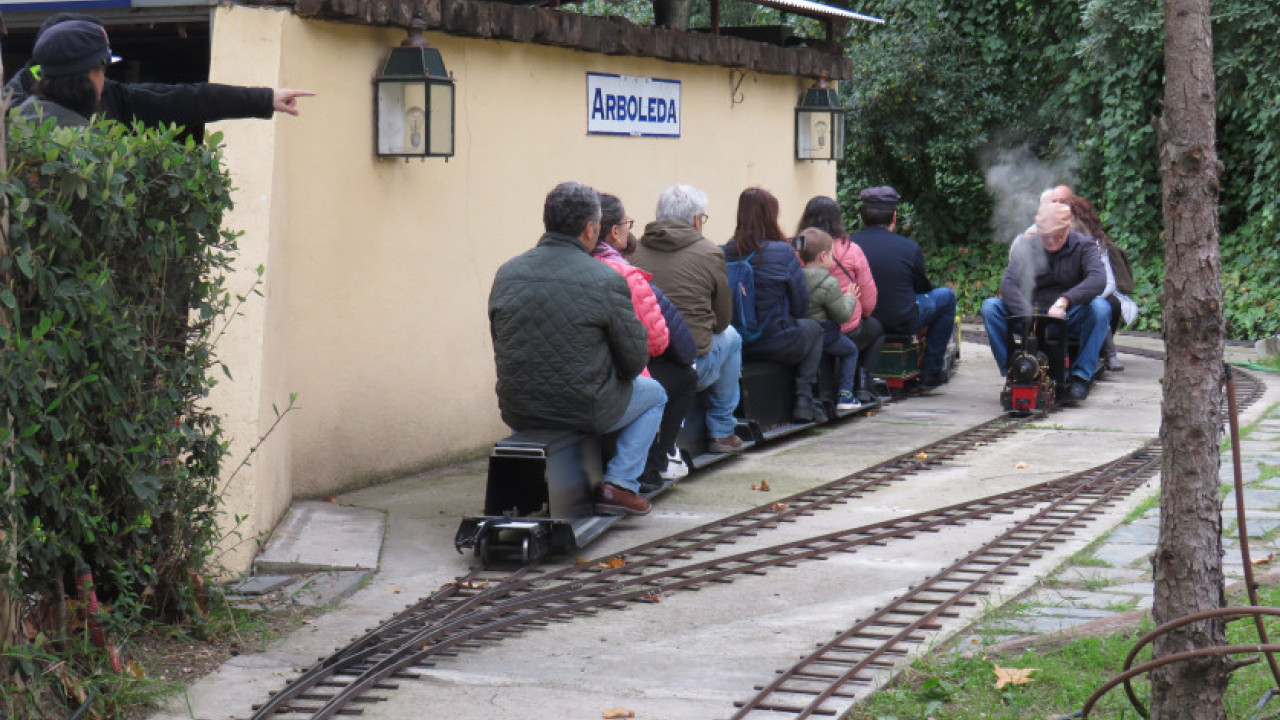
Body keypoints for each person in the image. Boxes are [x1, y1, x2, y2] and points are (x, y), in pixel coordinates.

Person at [489, 182, 666, 516]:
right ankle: (619, 485)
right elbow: (634, 361)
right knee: (654, 393)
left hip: (518, 409)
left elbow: (502, 342)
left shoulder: (507, 273)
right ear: (590, 229)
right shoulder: (605, 279)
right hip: (584, 409)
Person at [6, 13, 313, 137]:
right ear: (78, 71)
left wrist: (264, 99)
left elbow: (184, 100)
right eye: (99, 67)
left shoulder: (113, 96)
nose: (104, 79)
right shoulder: (12, 116)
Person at [632, 184, 744, 454]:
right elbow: (722, 320)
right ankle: (722, 430)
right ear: (696, 220)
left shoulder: (633, 250)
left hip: (645, 363)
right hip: (693, 362)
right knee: (732, 337)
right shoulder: (710, 252)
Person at [594, 194, 698, 485]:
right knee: (672, 383)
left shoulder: (562, 268)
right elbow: (656, 343)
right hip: (604, 386)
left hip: (550, 389)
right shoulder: (625, 274)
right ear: (615, 232)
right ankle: (649, 466)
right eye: (627, 223)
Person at [980, 201, 1110, 404]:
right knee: (990, 308)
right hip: (1030, 313)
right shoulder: (1027, 246)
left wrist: (1065, 300)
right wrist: (1025, 311)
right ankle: (1014, 370)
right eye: (1046, 236)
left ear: (1068, 228)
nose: (1051, 241)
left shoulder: (1084, 246)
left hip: (1068, 315)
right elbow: (1008, 284)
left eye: (1057, 236)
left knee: (1101, 308)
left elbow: (1098, 279)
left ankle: (1081, 377)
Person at [722, 188, 824, 423]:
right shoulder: (783, 252)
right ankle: (804, 400)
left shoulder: (726, 251)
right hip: (777, 343)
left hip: (739, 344)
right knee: (815, 330)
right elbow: (800, 306)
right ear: (771, 216)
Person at [850, 186, 956, 391]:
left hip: (861, 320)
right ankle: (931, 371)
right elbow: (922, 287)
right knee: (947, 297)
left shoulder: (848, 245)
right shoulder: (909, 247)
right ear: (894, 217)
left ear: (862, 218)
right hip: (901, 321)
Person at [796, 195, 885, 399]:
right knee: (876, 329)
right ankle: (862, 383)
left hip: (806, 325)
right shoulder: (851, 249)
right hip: (844, 326)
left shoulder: (798, 247)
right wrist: (860, 311)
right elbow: (869, 299)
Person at [1063, 194, 1139, 372]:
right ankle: (1108, 353)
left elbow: (1109, 283)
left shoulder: (1096, 244)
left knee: (1104, 304)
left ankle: (1104, 352)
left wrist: (1085, 296)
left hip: (1091, 294)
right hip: (1065, 296)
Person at [796, 227, 862, 412]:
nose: (833, 259)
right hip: (825, 333)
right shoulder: (829, 283)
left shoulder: (795, 278)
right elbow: (842, 315)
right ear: (823, 256)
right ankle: (845, 394)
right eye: (832, 254)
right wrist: (850, 298)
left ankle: (824, 394)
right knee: (850, 350)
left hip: (801, 334)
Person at [11, 19, 116, 127]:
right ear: (85, 78)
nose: (103, 80)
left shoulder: (20, 120)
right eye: (102, 69)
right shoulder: (80, 137)